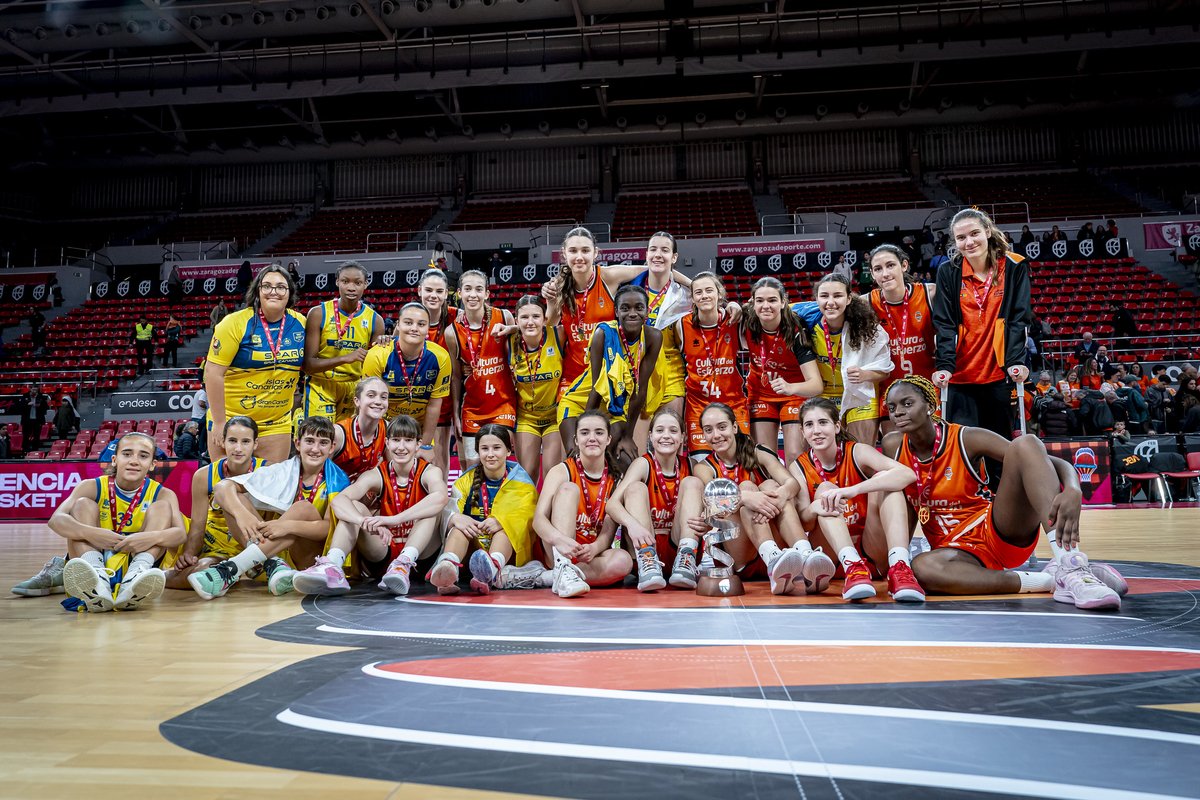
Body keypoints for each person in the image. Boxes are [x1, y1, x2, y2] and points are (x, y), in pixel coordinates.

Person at [881, 376, 1126, 610]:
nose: (898, 412)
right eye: (892, 407)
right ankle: (1051, 580)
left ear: (929, 406)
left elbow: (1041, 459)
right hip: (956, 554)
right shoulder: (893, 446)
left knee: (1025, 443)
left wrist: (1073, 488)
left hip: (998, 531)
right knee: (922, 568)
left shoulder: (967, 438)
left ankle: (1072, 566)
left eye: (907, 403)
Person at [542, 226, 688, 448]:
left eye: (585, 250)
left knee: (608, 445)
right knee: (573, 449)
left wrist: (695, 285)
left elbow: (657, 269)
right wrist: (551, 301)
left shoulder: (608, 276)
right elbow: (550, 323)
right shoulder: (559, 286)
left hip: (610, 374)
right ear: (564, 253)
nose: (579, 256)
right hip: (574, 376)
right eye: (573, 251)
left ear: (595, 253)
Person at [676, 402, 836, 595]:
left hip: (783, 551)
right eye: (709, 430)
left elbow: (791, 483)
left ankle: (804, 554)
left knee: (771, 487)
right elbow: (712, 506)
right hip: (740, 553)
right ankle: (773, 558)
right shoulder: (704, 468)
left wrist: (778, 498)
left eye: (722, 427)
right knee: (746, 487)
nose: (716, 435)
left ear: (734, 427)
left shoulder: (758, 451)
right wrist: (745, 498)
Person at [188, 416, 349, 600]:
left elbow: (328, 529)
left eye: (323, 443)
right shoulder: (283, 470)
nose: (315, 449)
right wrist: (242, 516)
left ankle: (231, 569)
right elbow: (222, 487)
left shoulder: (338, 480)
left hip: (312, 559)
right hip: (277, 549)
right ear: (297, 443)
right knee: (236, 499)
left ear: (332, 447)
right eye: (309, 441)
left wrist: (287, 526)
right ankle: (273, 565)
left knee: (303, 509)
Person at [296, 415, 448, 596]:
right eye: (396, 440)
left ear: (418, 444)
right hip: (384, 553)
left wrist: (394, 519)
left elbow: (441, 497)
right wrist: (362, 520)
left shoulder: (429, 472)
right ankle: (332, 565)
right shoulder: (376, 474)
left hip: (421, 557)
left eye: (408, 440)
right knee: (354, 507)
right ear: (387, 443)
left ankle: (403, 564)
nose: (401, 447)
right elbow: (339, 501)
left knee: (432, 510)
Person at [788, 398, 923, 602]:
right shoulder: (798, 467)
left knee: (886, 482)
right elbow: (805, 523)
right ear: (802, 432)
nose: (816, 430)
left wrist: (853, 490)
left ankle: (900, 567)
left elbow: (907, 474)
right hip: (832, 559)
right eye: (809, 424)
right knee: (826, 490)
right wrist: (814, 508)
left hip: (871, 548)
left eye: (823, 422)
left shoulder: (857, 451)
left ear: (836, 426)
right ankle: (852, 565)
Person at [50, 432, 184, 612]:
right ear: (114, 459)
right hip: (93, 559)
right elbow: (56, 520)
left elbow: (180, 534)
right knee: (82, 505)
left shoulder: (162, 493)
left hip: (136, 557)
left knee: (162, 508)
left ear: (152, 464)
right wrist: (91, 533)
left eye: (143, 456)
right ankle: (96, 580)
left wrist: (148, 537)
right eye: (127, 454)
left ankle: (135, 577)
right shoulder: (91, 486)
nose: (134, 461)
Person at [931, 208, 1031, 441]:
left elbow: (1019, 318)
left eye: (974, 233)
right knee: (964, 447)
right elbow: (944, 323)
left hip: (998, 374)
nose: (969, 242)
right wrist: (945, 365)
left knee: (1000, 447)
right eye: (961, 238)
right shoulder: (948, 271)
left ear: (987, 231)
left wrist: (1015, 361)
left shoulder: (1015, 266)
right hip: (959, 376)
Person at [161, 417, 278, 592]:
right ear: (223, 442)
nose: (238, 448)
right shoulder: (203, 475)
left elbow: (270, 519)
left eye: (245, 441)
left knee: (234, 496)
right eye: (232, 441)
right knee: (203, 569)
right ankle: (159, 578)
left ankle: (256, 564)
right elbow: (198, 526)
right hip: (216, 547)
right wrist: (189, 555)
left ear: (255, 444)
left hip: (255, 542)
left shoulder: (269, 471)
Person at [205, 264, 306, 464]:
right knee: (226, 488)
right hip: (232, 421)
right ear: (257, 291)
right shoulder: (233, 323)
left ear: (290, 292)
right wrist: (219, 422)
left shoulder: (302, 323)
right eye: (267, 286)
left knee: (268, 492)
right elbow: (212, 373)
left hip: (276, 424)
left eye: (281, 287)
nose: (274, 291)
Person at [558, 284, 663, 469]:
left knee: (625, 460)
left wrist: (628, 436)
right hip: (581, 404)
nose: (632, 313)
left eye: (639, 307)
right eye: (625, 308)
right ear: (616, 311)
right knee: (579, 457)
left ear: (647, 311)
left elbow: (641, 390)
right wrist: (586, 431)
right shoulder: (603, 334)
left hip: (614, 410)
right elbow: (598, 387)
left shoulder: (653, 337)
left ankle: (611, 496)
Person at [532, 410, 633, 598]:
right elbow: (538, 520)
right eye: (585, 433)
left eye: (599, 433)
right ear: (576, 440)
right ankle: (561, 567)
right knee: (568, 489)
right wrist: (559, 540)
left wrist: (595, 548)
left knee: (623, 561)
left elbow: (608, 532)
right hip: (558, 547)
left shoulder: (616, 479)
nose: (592, 438)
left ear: (609, 439)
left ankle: (547, 578)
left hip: (589, 554)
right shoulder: (562, 471)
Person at [430, 424, 539, 595]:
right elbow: (448, 510)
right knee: (459, 530)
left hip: (506, 554)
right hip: (471, 551)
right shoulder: (465, 480)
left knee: (506, 531)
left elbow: (528, 517)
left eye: (496, 448)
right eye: (484, 449)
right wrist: (455, 518)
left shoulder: (523, 482)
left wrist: (501, 521)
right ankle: (448, 567)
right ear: (478, 452)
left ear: (509, 451)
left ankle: (491, 569)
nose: (490, 454)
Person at [606, 408, 692, 591]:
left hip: (676, 549)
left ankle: (687, 557)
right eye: (660, 431)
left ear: (683, 437)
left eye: (673, 431)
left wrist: (706, 522)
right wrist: (632, 525)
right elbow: (612, 505)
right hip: (644, 549)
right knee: (635, 488)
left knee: (694, 483)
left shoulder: (691, 465)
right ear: (651, 436)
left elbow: (715, 503)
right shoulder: (643, 464)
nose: (666, 436)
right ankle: (648, 560)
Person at [741, 277, 823, 467]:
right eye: (760, 301)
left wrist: (789, 387)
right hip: (760, 394)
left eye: (772, 300)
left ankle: (798, 495)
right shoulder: (745, 324)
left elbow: (816, 385)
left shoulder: (795, 331)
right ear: (752, 303)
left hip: (793, 394)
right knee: (763, 456)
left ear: (783, 302)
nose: (766, 306)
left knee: (794, 454)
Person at [807, 273, 892, 446]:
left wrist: (865, 374)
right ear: (816, 299)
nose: (830, 302)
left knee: (860, 451)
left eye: (837, 296)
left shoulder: (866, 327)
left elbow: (884, 370)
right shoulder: (807, 322)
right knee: (828, 455)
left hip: (859, 393)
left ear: (848, 299)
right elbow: (777, 308)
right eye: (824, 296)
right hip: (823, 395)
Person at [626, 232, 695, 443]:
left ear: (674, 257)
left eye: (665, 250)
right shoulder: (629, 290)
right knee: (636, 449)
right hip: (636, 376)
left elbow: (713, 302)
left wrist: (732, 304)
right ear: (646, 255)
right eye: (653, 249)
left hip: (671, 375)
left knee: (670, 443)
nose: (658, 254)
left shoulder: (685, 297)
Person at [445, 270, 517, 470]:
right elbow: (456, 376)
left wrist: (515, 328)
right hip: (473, 408)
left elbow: (526, 342)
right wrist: (456, 416)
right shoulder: (452, 332)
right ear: (459, 293)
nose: (473, 294)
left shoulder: (504, 316)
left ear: (487, 293)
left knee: (500, 464)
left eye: (478, 289)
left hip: (503, 404)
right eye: (467, 289)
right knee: (472, 469)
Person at [362, 302, 452, 455]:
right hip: (385, 423)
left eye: (421, 324)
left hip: (419, 425)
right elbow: (370, 405)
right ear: (398, 325)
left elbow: (434, 405)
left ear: (428, 328)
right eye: (408, 323)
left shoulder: (441, 357)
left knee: (426, 472)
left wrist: (424, 446)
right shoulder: (377, 355)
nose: (414, 328)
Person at [868, 244, 937, 440]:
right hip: (890, 391)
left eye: (890, 265)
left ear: (904, 265)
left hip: (929, 387)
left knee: (933, 446)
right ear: (872, 274)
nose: (885, 273)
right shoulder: (866, 303)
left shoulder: (930, 293)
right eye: (878, 269)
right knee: (896, 449)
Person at [303, 261, 385, 421]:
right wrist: (345, 358)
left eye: (358, 282)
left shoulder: (376, 320)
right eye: (345, 281)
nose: (351, 287)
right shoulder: (319, 314)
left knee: (347, 443)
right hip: (322, 384)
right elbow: (308, 366)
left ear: (366, 284)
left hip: (355, 388)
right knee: (320, 441)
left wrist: (385, 342)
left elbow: (374, 367)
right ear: (337, 282)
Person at [676, 272, 746, 458]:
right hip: (698, 406)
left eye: (709, 290)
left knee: (740, 461)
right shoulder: (681, 326)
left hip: (733, 403)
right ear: (692, 298)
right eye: (698, 292)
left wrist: (736, 305)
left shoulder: (735, 321)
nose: (704, 295)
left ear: (719, 294)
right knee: (701, 465)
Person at [508, 295, 563, 482]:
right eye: (524, 318)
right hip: (526, 418)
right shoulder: (508, 343)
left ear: (545, 319)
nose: (530, 322)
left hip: (554, 417)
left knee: (552, 473)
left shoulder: (558, 335)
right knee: (527, 474)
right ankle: (528, 511)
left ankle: (551, 512)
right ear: (516, 320)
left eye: (536, 317)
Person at [415, 269, 456, 476]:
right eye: (429, 290)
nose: (433, 295)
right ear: (419, 290)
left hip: (444, 399)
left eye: (439, 291)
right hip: (414, 399)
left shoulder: (457, 317)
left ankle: (439, 503)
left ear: (446, 294)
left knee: (440, 457)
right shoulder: (411, 317)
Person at [329, 377, 389, 481]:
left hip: (365, 490)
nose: (378, 401)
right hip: (334, 491)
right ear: (357, 401)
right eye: (371, 395)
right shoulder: (338, 433)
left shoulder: (388, 429)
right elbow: (319, 475)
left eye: (384, 397)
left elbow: (394, 472)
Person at [16, 385, 50, 453]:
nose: (34, 391)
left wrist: (40, 406)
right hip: (27, 420)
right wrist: (27, 404)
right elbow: (19, 408)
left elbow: (46, 407)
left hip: (37, 420)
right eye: (33, 390)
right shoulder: (25, 396)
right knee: (26, 436)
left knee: (36, 436)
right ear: (30, 389)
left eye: (36, 390)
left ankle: (35, 450)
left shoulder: (41, 397)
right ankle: (25, 450)